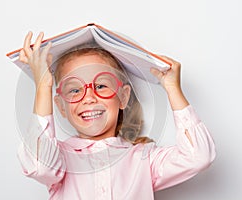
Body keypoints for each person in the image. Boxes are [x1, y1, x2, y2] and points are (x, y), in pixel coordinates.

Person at [17, 31, 216, 199]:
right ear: (61, 107)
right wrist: (43, 85)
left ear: (123, 97)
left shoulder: (144, 158)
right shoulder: (59, 158)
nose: (89, 98)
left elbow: (198, 156)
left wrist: (172, 88)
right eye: (75, 90)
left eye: (101, 86)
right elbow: (39, 165)